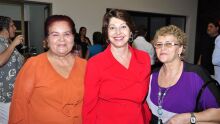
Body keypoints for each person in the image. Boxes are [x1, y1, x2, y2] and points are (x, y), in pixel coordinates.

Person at [9, 15, 87, 124]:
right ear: (47, 39)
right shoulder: (33, 65)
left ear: (74, 37)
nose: (62, 40)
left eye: (67, 34)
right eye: (55, 34)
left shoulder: (85, 66)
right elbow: (18, 106)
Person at [83, 9, 151, 124]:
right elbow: (89, 107)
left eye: (123, 27)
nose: (118, 32)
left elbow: (143, 99)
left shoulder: (144, 58)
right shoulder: (95, 63)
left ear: (131, 31)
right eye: (112, 27)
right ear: (107, 33)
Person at [146, 25, 220, 124]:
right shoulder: (151, 75)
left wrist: (189, 118)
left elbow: (217, 113)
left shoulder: (196, 75)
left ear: (180, 49)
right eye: (159, 44)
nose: (162, 48)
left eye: (168, 44)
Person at [0, 16, 24, 124]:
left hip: (15, 94)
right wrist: (14, 44)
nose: (15, 28)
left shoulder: (8, 43)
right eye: (12, 25)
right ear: (5, 28)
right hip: (5, 96)